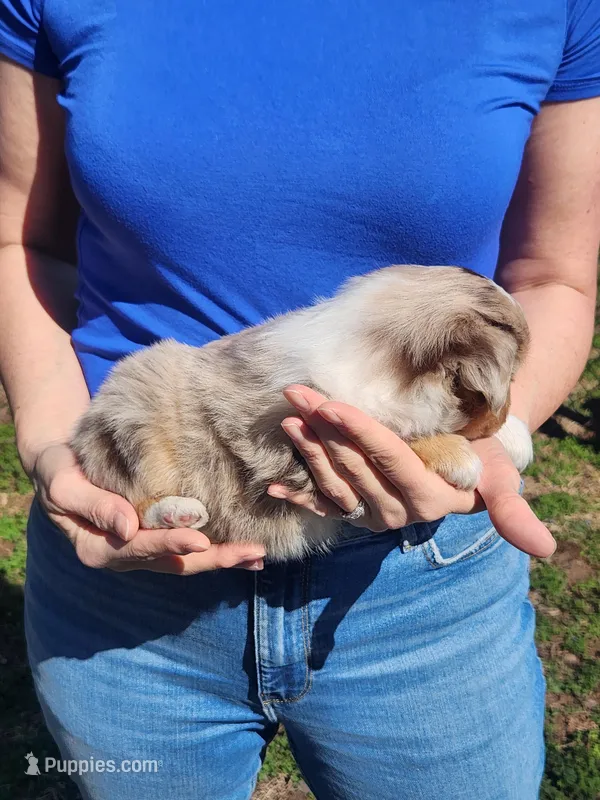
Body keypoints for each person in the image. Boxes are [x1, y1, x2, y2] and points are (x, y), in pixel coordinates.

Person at [0, 1, 598, 797]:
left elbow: (554, 271)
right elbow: (20, 237)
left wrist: (498, 433)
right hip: (127, 570)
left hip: (418, 588)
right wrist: (53, 450)